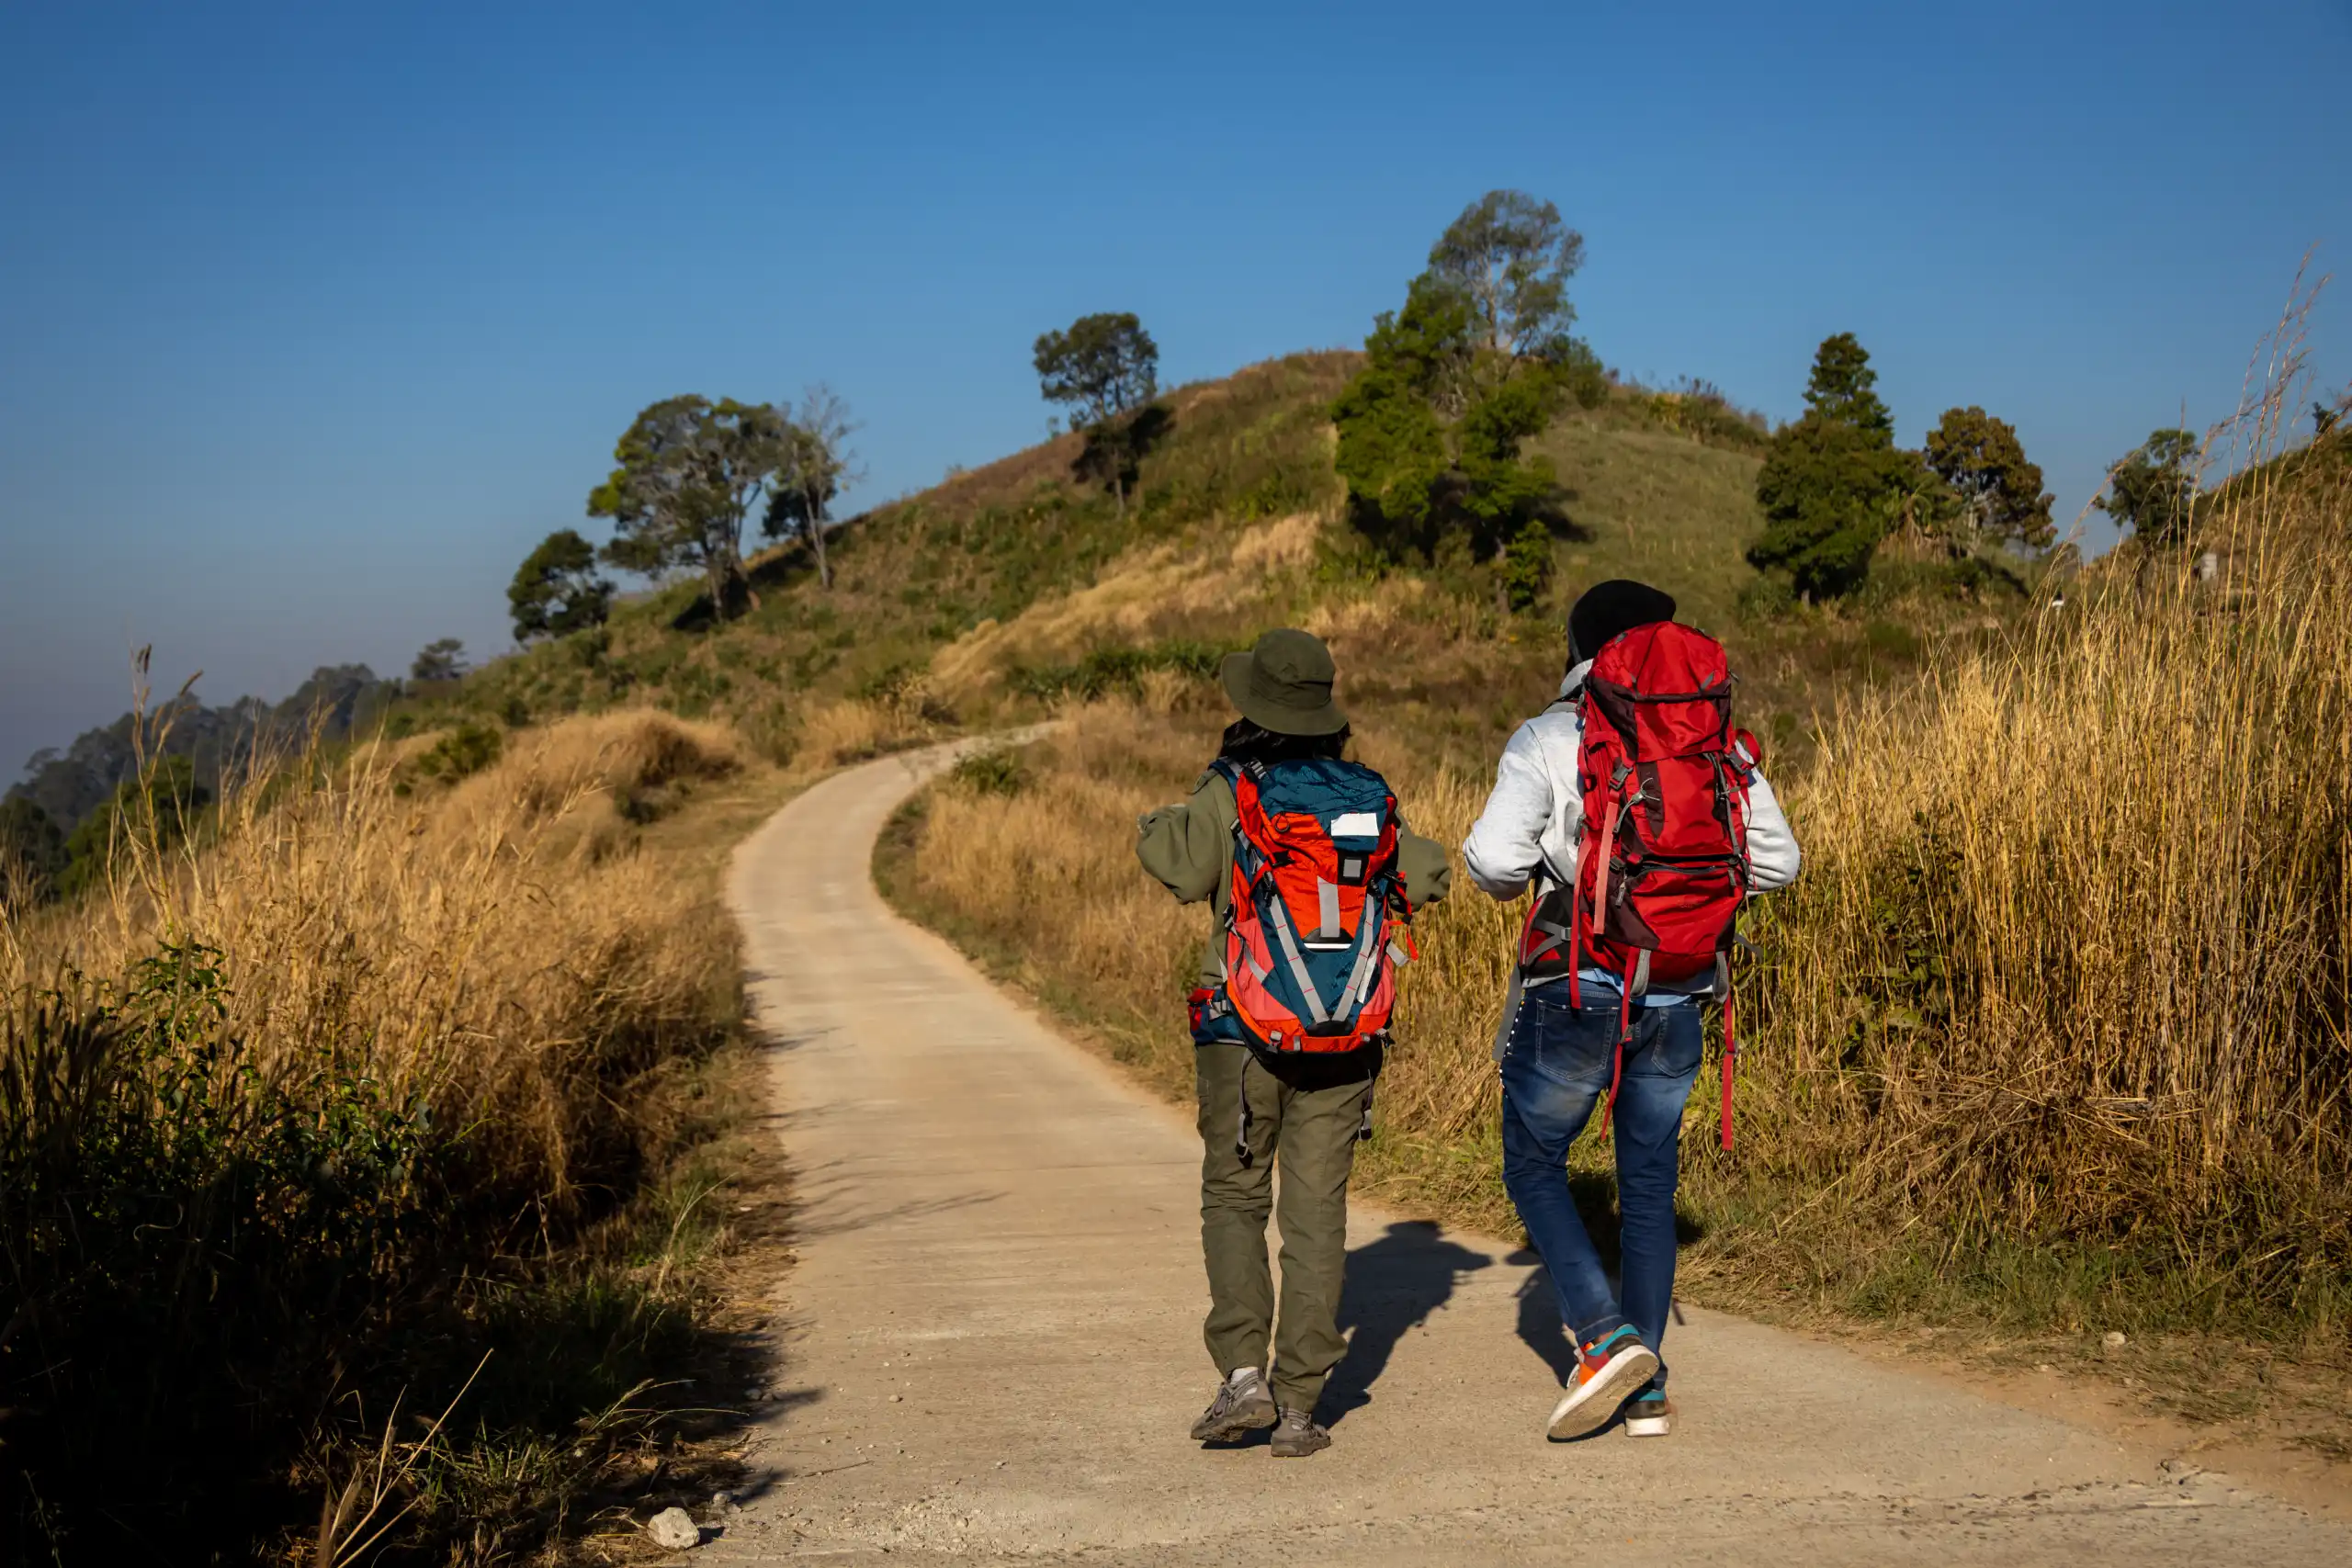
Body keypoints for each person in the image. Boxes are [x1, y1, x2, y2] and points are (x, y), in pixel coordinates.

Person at [1463, 580, 1800, 1440]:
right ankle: (1645, 1386)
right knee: (1649, 1185)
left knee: (1534, 1162)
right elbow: (1778, 862)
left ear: (1576, 649)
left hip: (1576, 984)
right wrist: (1684, 903)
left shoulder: (1548, 736)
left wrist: (1581, 877)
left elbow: (1495, 865)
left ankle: (1603, 1334)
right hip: (1682, 985)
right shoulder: (1717, 742)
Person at [1136, 628, 1452, 1458]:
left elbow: (1178, 866)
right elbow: (1426, 874)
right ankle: (1302, 1404)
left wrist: (1159, 820)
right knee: (1317, 1211)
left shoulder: (1234, 786)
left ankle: (1243, 1377)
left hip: (1240, 1030)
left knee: (1237, 1197)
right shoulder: (1368, 793)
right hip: (1348, 1030)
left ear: (1250, 706)